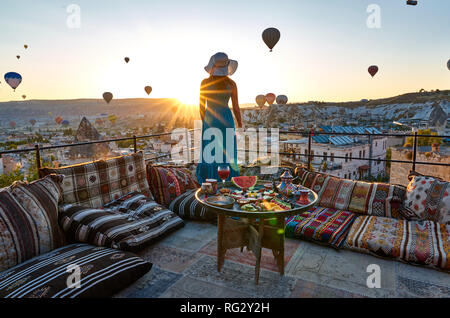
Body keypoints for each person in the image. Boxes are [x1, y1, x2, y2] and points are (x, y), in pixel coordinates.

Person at [196, 52, 242, 184]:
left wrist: (205, 121)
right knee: (227, 151)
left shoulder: (204, 82)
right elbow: (236, 107)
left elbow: (201, 105)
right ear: (227, 66)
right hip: (227, 119)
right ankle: (228, 179)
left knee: (210, 152)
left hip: (210, 119)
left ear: (212, 65)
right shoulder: (232, 84)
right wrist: (240, 124)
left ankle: (210, 179)